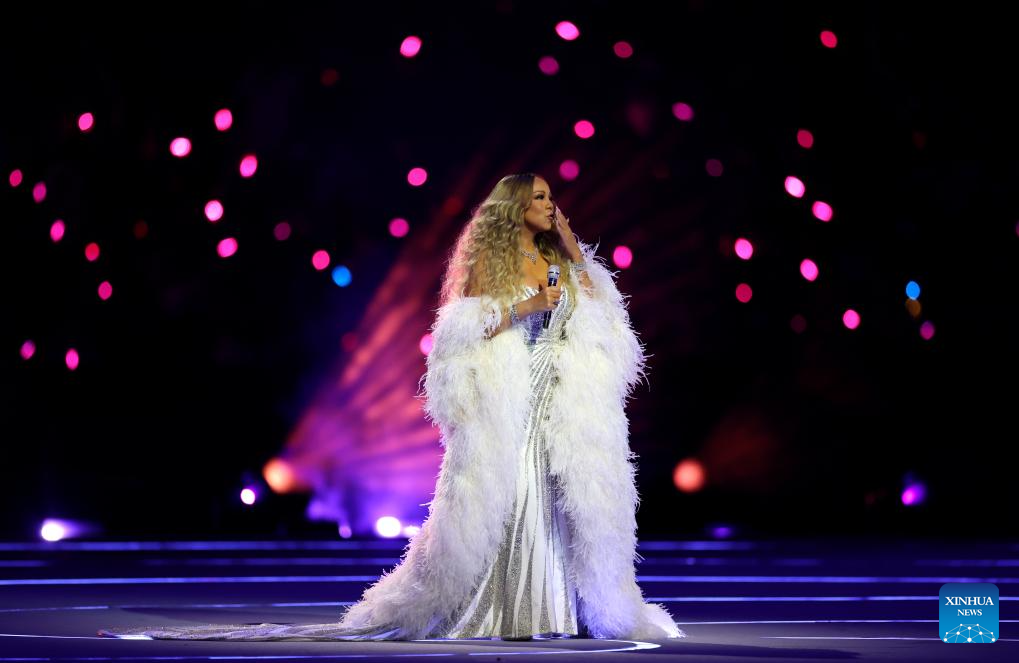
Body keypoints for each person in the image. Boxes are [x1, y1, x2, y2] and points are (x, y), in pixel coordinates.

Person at [98, 173, 685, 642]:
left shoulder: (559, 259)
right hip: (510, 400)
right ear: (513, 208)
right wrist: (528, 305)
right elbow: (469, 329)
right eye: (538, 198)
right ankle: (505, 609)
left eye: (551, 197)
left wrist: (573, 249)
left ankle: (557, 607)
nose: (549, 205)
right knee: (513, 496)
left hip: (556, 400)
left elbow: (596, 305)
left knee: (561, 501)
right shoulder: (495, 264)